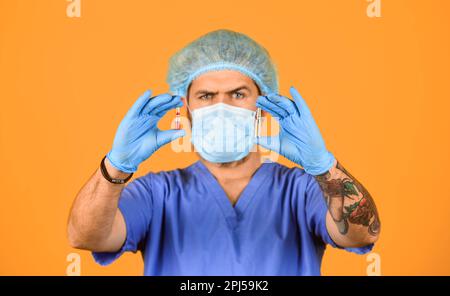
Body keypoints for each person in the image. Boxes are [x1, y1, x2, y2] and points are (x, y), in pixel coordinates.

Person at [67, 29, 380, 275]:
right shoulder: (156, 194)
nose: (222, 106)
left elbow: (361, 234)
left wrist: (323, 167)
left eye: (238, 94)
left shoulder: (301, 191)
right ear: (186, 106)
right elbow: (86, 237)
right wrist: (116, 166)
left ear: (263, 105)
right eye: (206, 95)